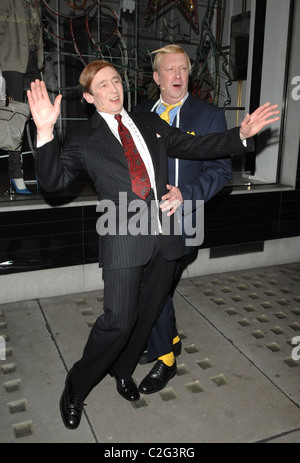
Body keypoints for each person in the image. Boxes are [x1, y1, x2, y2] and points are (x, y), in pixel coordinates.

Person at [27, 60, 279, 430]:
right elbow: (52, 181)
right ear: (89, 97)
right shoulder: (84, 138)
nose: (114, 89)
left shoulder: (149, 122)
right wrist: (46, 131)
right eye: (103, 86)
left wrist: (240, 134)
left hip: (165, 235)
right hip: (123, 238)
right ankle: (76, 387)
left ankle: (123, 371)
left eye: (116, 81)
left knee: (146, 317)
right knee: (118, 321)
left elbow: (196, 146)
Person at [134, 44, 232, 394]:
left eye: (183, 69)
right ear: (157, 78)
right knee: (157, 287)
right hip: (145, 221)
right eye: (170, 70)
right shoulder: (140, 114)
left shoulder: (207, 115)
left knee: (154, 286)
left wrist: (185, 195)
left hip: (186, 220)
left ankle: (166, 358)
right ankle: (169, 337)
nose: (177, 75)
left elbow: (221, 171)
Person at [0, 0, 44, 194]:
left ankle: (42, 171)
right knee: (14, 118)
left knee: (41, 117)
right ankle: (16, 174)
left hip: (34, 61)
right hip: (13, 61)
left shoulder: (36, 2)